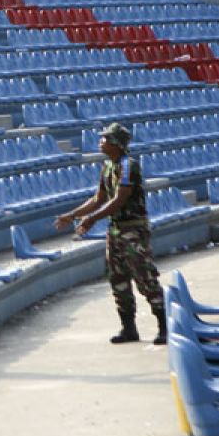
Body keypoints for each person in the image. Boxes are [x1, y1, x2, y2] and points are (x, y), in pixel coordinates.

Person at [54, 122, 166, 345]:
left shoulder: (128, 166)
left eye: (105, 139)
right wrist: (73, 215)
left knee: (145, 277)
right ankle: (128, 328)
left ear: (116, 143)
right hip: (116, 230)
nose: (101, 143)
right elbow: (99, 198)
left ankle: (164, 326)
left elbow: (120, 198)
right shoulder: (108, 167)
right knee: (118, 278)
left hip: (132, 228)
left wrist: (91, 219)